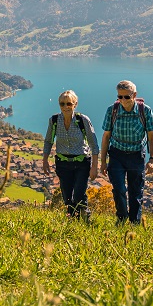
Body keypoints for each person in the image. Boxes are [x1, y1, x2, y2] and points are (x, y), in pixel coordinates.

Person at [99, 80, 153, 224]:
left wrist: (152, 160)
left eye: (126, 97)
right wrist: (102, 162)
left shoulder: (145, 111)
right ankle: (122, 217)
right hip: (116, 155)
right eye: (120, 97)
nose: (123, 100)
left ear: (134, 95)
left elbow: (152, 136)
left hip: (136, 155)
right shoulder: (112, 110)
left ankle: (134, 223)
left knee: (136, 192)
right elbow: (106, 136)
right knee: (119, 188)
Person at [42, 90, 99, 221]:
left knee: (79, 195)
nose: (65, 107)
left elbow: (93, 144)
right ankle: (72, 222)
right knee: (67, 197)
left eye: (69, 104)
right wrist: (45, 160)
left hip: (81, 163)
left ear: (75, 104)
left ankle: (85, 220)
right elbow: (48, 141)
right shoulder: (54, 120)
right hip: (63, 164)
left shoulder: (82, 120)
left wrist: (94, 166)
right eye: (62, 104)